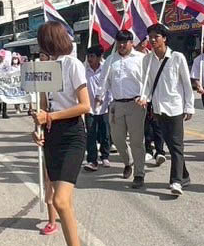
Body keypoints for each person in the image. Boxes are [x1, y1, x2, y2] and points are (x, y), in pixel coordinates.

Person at [31, 21, 91, 246]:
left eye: (41, 41)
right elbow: (43, 105)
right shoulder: (45, 68)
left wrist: (50, 117)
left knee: (61, 201)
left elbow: (84, 105)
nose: (39, 46)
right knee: (60, 200)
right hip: (52, 135)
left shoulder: (72, 65)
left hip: (72, 134)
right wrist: (38, 127)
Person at [140, 23, 195, 196]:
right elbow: (147, 84)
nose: (152, 40)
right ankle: (184, 175)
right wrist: (144, 97)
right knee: (171, 145)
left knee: (177, 145)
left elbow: (186, 84)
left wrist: (189, 106)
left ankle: (176, 181)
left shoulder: (177, 58)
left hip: (175, 107)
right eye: (150, 37)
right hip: (158, 108)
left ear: (164, 38)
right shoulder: (147, 60)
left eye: (156, 37)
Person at [102, 28, 148, 183]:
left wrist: (145, 97)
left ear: (131, 43)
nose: (121, 45)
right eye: (119, 42)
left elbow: (148, 81)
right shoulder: (110, 60)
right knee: (117, 139)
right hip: (116, 105)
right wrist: (100, 97)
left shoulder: (141, 59)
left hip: (136, 104)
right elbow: (104, 81)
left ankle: (139, 174)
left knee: (136, 141)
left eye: (125, 42)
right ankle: (128, 162)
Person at [83, 46, 111, 170]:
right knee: (91, 134)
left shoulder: (105, 70)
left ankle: (105, 156)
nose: (90, 59)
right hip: (89, 108)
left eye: (92, 56)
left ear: (100, 57)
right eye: (88, 56)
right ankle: (92, 160)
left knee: (105, 133)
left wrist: (108, 101)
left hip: (104, 108)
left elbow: (109, 87)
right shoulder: (84, 71)